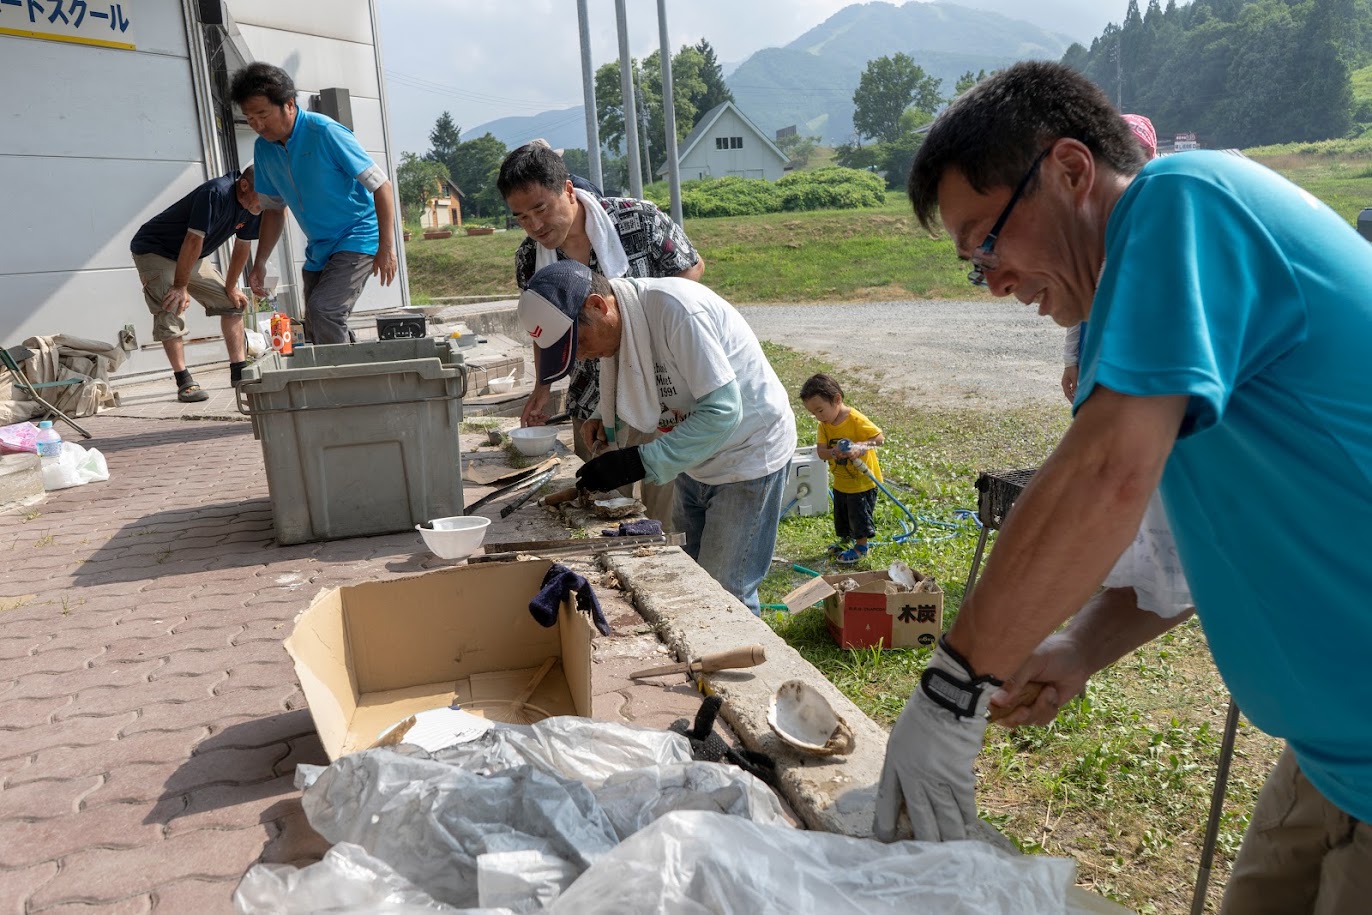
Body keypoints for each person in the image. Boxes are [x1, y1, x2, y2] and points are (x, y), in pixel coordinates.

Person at [878, 61, 1372, 914]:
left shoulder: (1184, 198)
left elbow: (1106, 474)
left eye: (986, 241)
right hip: (1328, 756)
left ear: (1071, 171)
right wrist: (1079, 648)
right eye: (972, 264)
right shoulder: (1160, 338)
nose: (991, 280)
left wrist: (951, 692)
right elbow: (1193, 545)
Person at [517, 259, 796, 614]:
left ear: (598, 306)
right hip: (696, 456)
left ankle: (734, 664)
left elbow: (724, 410)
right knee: (694, 578)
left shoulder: (677, 312)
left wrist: (640, 461)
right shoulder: (624, 319)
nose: (582, 355)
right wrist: (606, 414)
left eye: (580, 343)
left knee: (728, 594)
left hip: (749, 452)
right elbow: (642, 368)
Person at [497, 142, 705, 527]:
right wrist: (543, 388)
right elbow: (545, 330)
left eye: (541, 208)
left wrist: (652, 332)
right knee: (602, 503)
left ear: (569, 190)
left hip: (661, 387)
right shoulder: (530, 259)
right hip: (591, 394)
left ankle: (672, 562)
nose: (535, 226)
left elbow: (690, 268)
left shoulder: (637, 219)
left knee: (665, 499)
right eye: (521, 217)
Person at [228, 62, 399, 345]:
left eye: (263, 114)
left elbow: (382, 186)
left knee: (324, 311)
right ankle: (357, 369)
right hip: (320, 246)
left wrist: (386, 248)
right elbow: (273, 209)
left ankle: (343, 384)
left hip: (357, 236)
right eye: (249, 117)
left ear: (289, 105)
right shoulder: (264, 150)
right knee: (317, 326)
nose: (257, 125)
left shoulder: (325, 132)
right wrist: (259, 262)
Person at [129, 167, 262, 401]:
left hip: (193, 254)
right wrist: (180, 286)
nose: (268, 203)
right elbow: (192, 239)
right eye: (265, 195)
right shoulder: (215, 193)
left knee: (232, 302)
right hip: (156, 250)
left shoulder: (254, 207)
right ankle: (184, 381)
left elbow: (243, 246)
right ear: (244, 186)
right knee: (171, 305)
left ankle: (240, 371)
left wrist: (231, 286)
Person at [1060, 113, 1157, 402]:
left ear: (1150, 157)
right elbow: (1080, 298)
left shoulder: (1165, 219)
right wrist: (1070, 359)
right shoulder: (1090, 223)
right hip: (1097, 343)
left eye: (1136, 155)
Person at [799, 373, 885, 565]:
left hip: (862, 482)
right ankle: (846, 540)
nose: (818, 417)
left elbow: (879, 438)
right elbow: (822, 452)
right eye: (813, 413)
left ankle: (861, 546)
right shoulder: (824, 425)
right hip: (841, 481)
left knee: (859, 514)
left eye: (820, 410)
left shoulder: (855, 419)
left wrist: (859, 447)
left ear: (837, 399)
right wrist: (833, 452)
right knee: (842, 514)